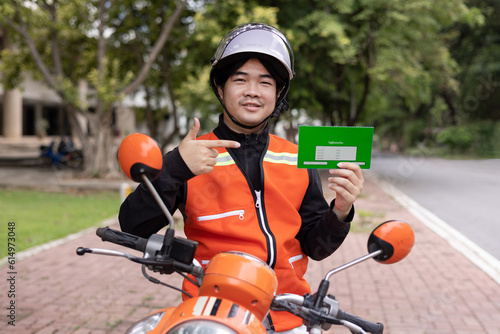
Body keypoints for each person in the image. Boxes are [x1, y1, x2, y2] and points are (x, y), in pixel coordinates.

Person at [119, 23, 364, 333]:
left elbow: (314, 247)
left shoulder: (296, 159)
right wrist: (176, 166)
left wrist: (340, 210)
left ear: (278, 93)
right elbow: (133, 224)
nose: (253, 91)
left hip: (288, 314)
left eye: (265, 82)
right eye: (240, 80)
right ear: (221, 89)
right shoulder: (192, 155)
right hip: (208, 315)